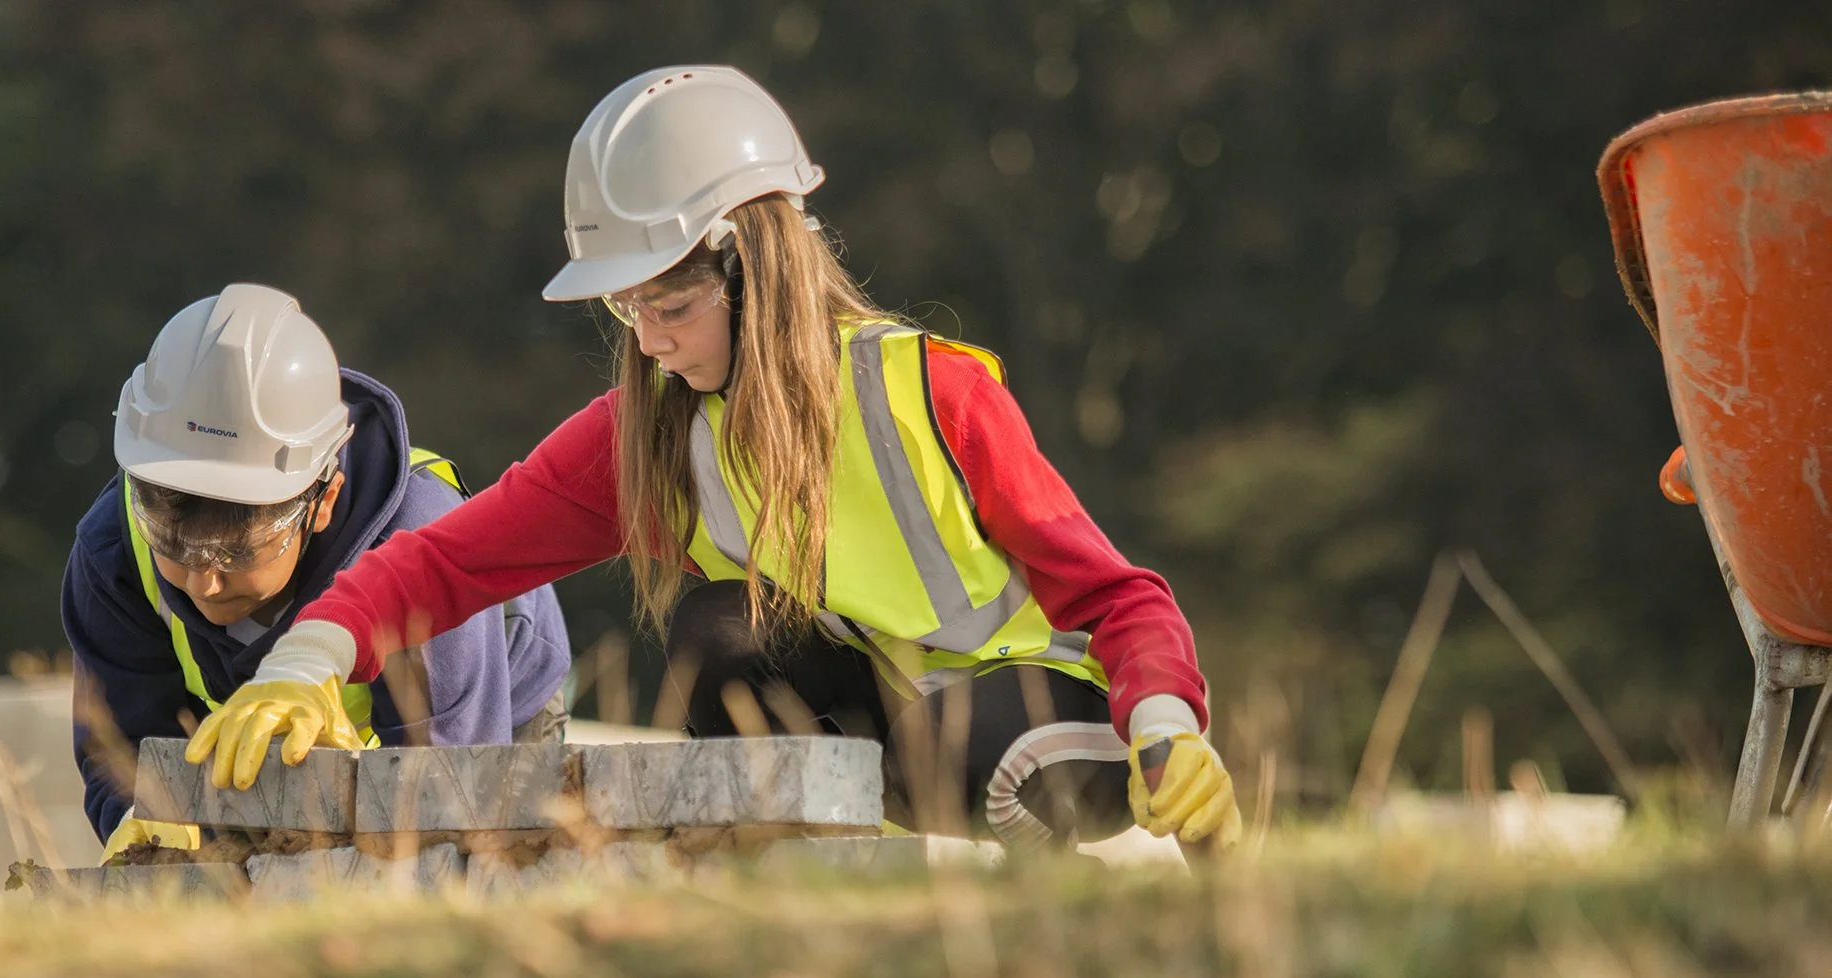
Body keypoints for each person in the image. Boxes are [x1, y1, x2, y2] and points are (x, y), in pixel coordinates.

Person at [184, 67, 1240, 855]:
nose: (645, 340)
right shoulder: (646, 430)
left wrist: (1167, 730)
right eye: (624, 307)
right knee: (717, 636)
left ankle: (1096, 895)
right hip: (894, 738)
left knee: (976, 753)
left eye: (671, 305)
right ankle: (795, 894)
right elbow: (443, 565)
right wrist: (302, 667)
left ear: (760, 265)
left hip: (1051, 723)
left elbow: (1120, 598)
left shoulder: (935, 393)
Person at [64, 283, 574, 860]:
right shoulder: (113, 548)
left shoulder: (419, 541)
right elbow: (118, 747)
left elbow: (451, 794)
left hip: (490, 706)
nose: (203, 583)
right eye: (173, 546)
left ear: (323, 498)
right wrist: (144, 819)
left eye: (236, 552)